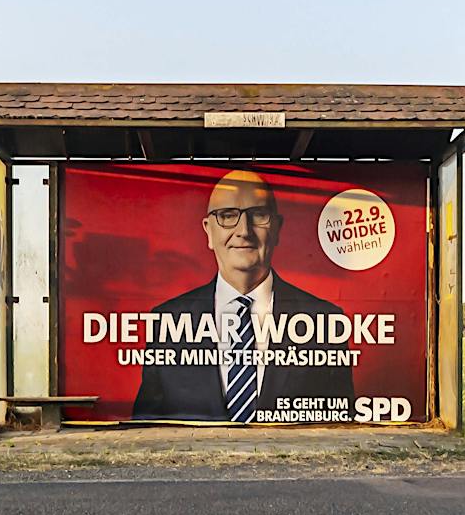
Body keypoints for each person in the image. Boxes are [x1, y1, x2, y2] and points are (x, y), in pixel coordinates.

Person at [132, 170, 355, 423]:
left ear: (278, 229)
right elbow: (146, 425)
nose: (243, 231)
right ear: (208, 231)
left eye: (258, 215)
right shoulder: (166, 320)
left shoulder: (324, 321)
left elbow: (340, 427)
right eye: (227, 215)